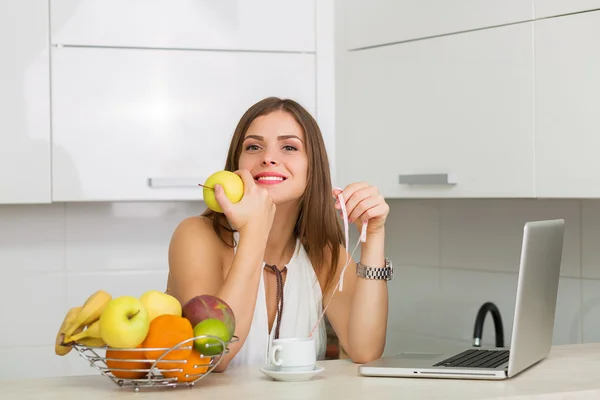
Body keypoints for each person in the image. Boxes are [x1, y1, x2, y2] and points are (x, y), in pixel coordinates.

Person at [166, 97, 392, 371]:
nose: (268, 158)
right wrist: (253, 233)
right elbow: (213, 355)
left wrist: (374, 235)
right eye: (253, 146)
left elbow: (365, 350)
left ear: (312, 167)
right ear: (236, 165)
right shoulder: (196, 236)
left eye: (288, 147)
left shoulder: (322, 253)